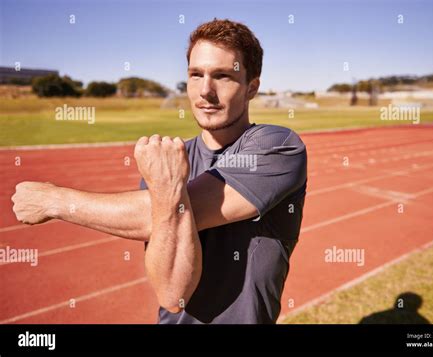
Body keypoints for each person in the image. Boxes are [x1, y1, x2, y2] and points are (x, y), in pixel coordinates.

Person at [12, 19, 307, 324]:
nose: (205, 90)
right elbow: (172, 293)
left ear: (252, 88)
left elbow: (149, 214)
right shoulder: (171, 164)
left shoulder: (278, 147)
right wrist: (166, 189)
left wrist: (54, 200)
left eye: (222, 76)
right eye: (196, 75)